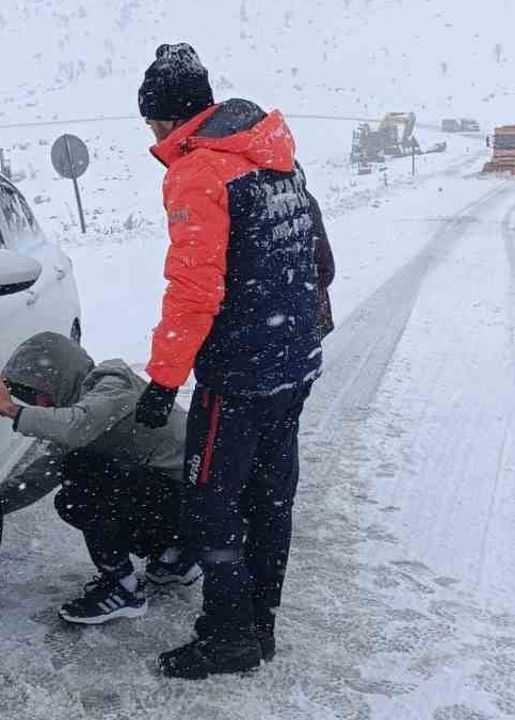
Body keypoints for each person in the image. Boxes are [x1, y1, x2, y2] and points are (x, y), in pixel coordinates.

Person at [131, 43, 332, 679]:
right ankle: (260, 624)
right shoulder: (273, 155)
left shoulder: (199, 171)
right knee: (271, 498)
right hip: (292, 359)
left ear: (167, 117)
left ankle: (228, 636)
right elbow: (321, 261)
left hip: (240, 371)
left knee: (211, 501)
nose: (155, 134)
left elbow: (195, 287)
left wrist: (163, 380)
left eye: (152, 122)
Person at [0, 332, 201, 625]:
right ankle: (173, 558)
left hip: (195, 506)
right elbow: (38, 478)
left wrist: (14, 411)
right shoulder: (86, 409)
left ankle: (123, 589)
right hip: (182, 504)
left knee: (79, 480)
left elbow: (76, 427)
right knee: (80, 477)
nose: (41, 403)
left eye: (39, 394)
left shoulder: (112, 386)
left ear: (58, 376)